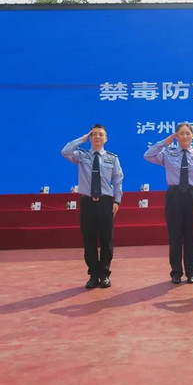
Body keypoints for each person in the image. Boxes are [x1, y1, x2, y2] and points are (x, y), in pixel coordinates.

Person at [144, 123, 193, 284]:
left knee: (192, 236)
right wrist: (165, 142)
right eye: (181, 133)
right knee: (175, 235)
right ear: (176, 136)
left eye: (188, 133)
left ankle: (191, 271)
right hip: (174, 195)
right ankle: (175, 272)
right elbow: (148, 155)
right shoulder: (168, 153)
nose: (185, 136)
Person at [61, 124, 123, 289]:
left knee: (106, 240)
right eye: (93, 134)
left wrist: (117, 201)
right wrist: (81, 139)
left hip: (105, 202)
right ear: (89, 137)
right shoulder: (81, 156)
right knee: (89, 240)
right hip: (87, 202)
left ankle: (104, 274)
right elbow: (65, 151)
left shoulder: (112, 158)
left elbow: (118, 181)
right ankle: (93, 275)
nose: (97, 137)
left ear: (106, 138)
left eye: (100, 134)